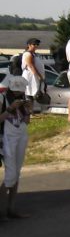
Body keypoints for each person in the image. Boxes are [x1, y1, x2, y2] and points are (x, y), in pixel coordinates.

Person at [0, 76, 32, 219]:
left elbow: (26, 121)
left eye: (21, 92)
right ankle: (1, 211)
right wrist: (10, 108)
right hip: (7, 138)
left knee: (16, 173)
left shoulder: (23, 100)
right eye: (16, 92)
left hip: (20, 135)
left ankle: (11, 208)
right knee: (10, 174)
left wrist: (28, 110)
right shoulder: (2, 99)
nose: (18, 94)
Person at [21, 38, 45, 103]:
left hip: (34, 77)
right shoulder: (28, 54)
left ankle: (32, 110)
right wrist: (39, 76)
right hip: (30, 77)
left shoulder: (34, 54)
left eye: (37, 44)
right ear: (29, 45)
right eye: (34, 44)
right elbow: (31, 66)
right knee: (29, 93)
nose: (36, 46)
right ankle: (29, 111)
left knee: (34, 93)